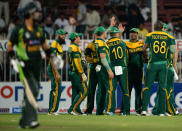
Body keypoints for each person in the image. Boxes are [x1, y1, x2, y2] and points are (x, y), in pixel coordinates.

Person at [7, 2, 53, 128]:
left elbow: (45, 46)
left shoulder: (39, 29)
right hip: (24, 64)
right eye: (36, 12)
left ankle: (24, 121)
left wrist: (53, 57)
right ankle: (32, 120)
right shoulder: (19, 29)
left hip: (37, 64)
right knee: (32, 89)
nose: (39, 14)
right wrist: (13, 60)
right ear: (29, 13)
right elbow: (9, 46)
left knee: (34, 89)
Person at [141, 21, 176, 116]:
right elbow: (173, 50)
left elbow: (144, 48)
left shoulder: (150, 35)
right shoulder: (169, 37)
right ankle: (162, 112)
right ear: (162, 28)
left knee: (148, 86)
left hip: (152, 63)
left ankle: (144, 110)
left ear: (154, 27)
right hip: (164, 64)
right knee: (163, 87)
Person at [152, 23, 179, 116]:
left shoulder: (164, 39)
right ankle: (166, 109)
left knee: (166, 90)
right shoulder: (169, 39)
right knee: (164, 90)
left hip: (166, 68)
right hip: (165, 68)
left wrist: (174, 65)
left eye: (163, 28)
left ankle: (162, 109)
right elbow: (175, 51)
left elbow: (175, 52)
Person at [106, 26, 130, 115]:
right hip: (122, 68)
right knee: (125, 90)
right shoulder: (123, 43)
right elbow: (126, 55)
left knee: (111, 90)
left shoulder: (107, 43)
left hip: (112, 69)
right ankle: (126, 111)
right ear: (117, 34)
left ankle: (110, 110)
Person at [94, 26, 114, 115]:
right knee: (109, 88)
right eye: (105, 32)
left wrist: (110, 26)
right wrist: (109, 70)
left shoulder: (96, 42)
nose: (107, 33)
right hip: (104, 68)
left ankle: (99, 110)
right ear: (102, 34)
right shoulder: (101, 43)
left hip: (99, 67)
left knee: (101, 90)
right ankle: (108, 109)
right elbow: (103, 58)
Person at [47, 29, 67, 115]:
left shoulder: (59, 44)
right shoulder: (54, 44)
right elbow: (52, 59)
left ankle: (52, 110)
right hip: (53, 69)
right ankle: (52, 111)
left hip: (56, 68)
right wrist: (57, 73)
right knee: (56, 89)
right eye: (62, 35)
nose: (64, 36)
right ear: (58, 35)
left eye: (65, 35)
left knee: (55, 89)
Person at [124, 28, 144, 115]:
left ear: (137, 34)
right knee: (127, 91)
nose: (133, 34)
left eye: (135, 33)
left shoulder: (141, 43)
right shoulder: (126, 43)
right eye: (131, 33)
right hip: (129, 71)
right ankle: (125, 110)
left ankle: (138, 110)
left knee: (138, 91)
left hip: (139, 71)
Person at [67, 32, 88, 115]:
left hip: (73, 72)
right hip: (77, 72)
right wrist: (82, 73)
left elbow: (70, 61)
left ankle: (76, 110)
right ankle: (72, 109)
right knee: (84, 91)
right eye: (78, 37)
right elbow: (76, 63)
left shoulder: (71, 47)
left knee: (75, 92)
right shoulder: (75, 48)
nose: (79, 38)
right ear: (75, 38)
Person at [84, 29, 99, 115]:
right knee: (91, 89)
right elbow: (85, 56)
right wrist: (93, 60)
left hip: (101, 68)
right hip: (93, 67)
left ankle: (100, 109)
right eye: (96, 34)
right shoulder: (90, 45)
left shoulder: (102, 43)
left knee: (101, 90)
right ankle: (89, 109)